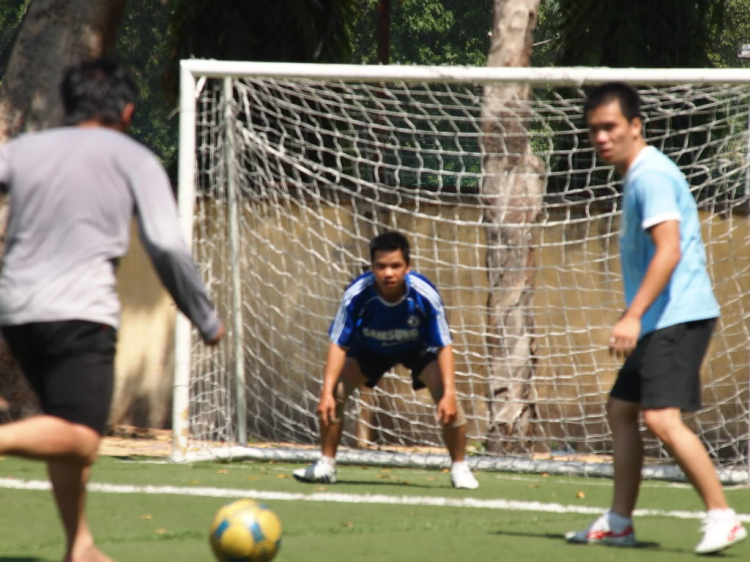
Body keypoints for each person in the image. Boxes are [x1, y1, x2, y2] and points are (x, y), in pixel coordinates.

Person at [0, 59, 224, 562]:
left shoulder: (23, 149)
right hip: (80, 313)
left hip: (15, 310)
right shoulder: (134, 157)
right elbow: (165, 243)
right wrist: (204, 314)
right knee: (80, 437)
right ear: (126, 111)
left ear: (70, 105)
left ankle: (79, 544)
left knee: (62, 423)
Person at [566, 82, 746, 554]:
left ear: (635, 126)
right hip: (661, 318)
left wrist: (633, 315)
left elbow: (668, 250)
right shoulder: (638, 174)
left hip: (678, 315)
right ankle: (620, 522)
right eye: (594, 130)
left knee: (662, 418)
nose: (602, 138)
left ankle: (723, 516)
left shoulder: (651, 176)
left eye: (610, 127)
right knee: (622, 409)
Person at [293, 231, 478, 489]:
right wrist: (325, 392)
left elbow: (445, 345)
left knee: (449, 400)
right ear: (372, 267)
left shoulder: (425, 294)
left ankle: (459, 467)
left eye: (395, 266)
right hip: (370, 348)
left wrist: (448, 392)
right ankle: (326, 464)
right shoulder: (357, 294)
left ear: (408, 267)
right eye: (381, 266)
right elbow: (338, 343)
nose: (388, 273)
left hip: (417, 349)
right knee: (334, 394)